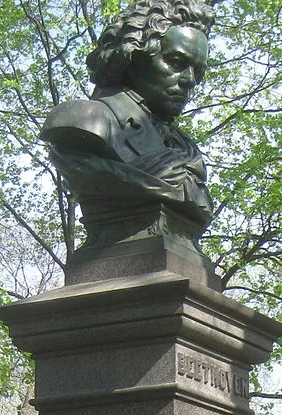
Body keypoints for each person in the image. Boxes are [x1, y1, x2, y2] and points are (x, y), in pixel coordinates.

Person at [40, 0, 215, 251]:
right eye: (176, 62)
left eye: (197, 71)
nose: (189, 81)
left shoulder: (184, 147)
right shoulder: (85, 119)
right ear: (132, 56)